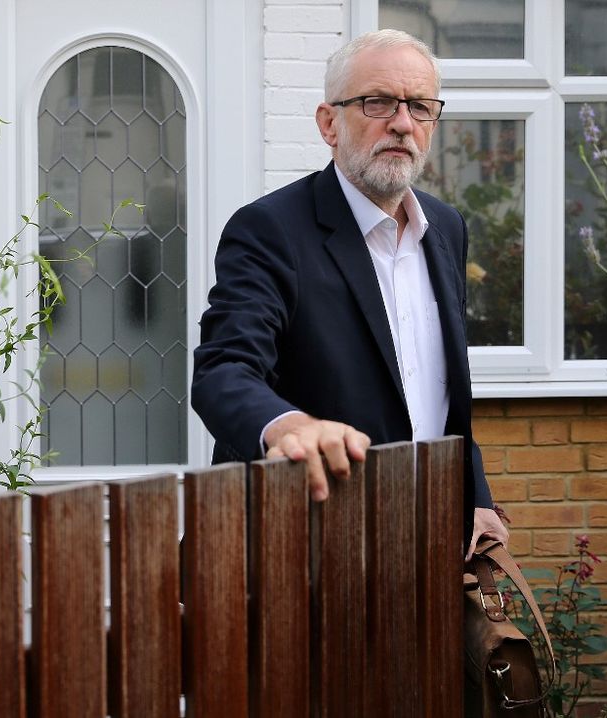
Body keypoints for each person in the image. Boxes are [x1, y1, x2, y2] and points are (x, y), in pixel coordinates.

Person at [191, 29, 508, 555]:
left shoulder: (446, 229)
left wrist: (475, 496)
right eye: (377, 102)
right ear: (328, 123)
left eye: (420, 107)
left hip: (420, 544)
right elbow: (223, 370)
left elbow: (441, 391)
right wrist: (287, 426)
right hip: (297, 551)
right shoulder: (271, 230)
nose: (402, 123)